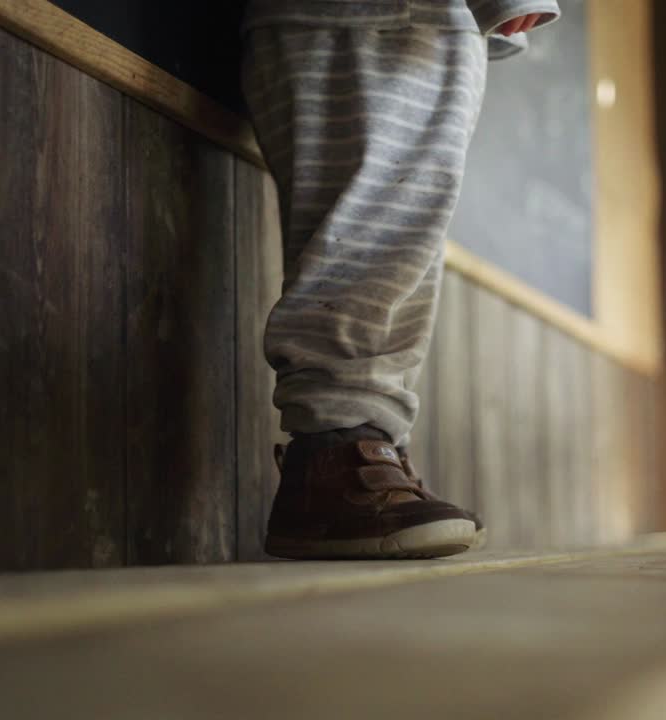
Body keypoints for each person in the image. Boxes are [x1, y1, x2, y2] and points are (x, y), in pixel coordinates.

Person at [240, 0, 560, 559]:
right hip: (382, 15)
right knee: (375, 225)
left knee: (394, 234)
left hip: (417, 19)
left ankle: (363, 448)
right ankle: (337, 457)